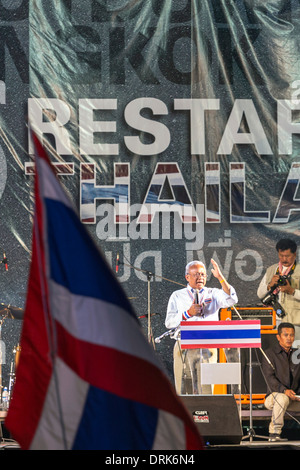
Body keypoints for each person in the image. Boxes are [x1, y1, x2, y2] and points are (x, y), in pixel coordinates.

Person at [165, 259, 238, 394]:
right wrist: (188, 313)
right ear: (187, 277)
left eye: (203, 274)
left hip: (208, 344)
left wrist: (220, 278)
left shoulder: (213, 293)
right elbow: (169, 323)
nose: (200, 277)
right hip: (184, 344)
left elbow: (232, 299)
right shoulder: (177, 295)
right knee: (183, 387)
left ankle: (207, 414)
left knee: (207, 388)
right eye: (196, 274)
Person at [261, 322, 300, 441]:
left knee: (286, 399)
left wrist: (297, 394)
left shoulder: (297, 354)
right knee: (282, 398)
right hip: (273, 398)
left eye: (292, 335)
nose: (289, 338)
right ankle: (274, 434)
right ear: (278, 337)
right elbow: (269, 378)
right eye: (286, 335)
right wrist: (284, 391)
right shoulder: (270, 353)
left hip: (293, 399)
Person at [257, 238, 300, 344]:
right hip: (274, 320)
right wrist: (270, 285)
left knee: (295, 355)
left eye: (287, 256)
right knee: (275, 353)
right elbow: (259, 294)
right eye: (281, 255)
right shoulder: (272, 270)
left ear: (295, 254)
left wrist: (292, 291)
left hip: (295, 322)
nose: (284, 259)